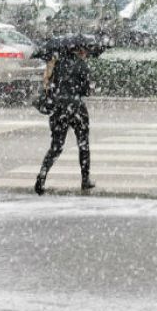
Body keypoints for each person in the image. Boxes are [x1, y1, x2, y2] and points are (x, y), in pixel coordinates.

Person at [34, 39, 95, 195]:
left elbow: (48, 85)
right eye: (85, 50)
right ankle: (85, 179)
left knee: (56, 146)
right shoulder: (81, 65)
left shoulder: (56, 64)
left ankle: (42, 176)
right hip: (76, 109)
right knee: (83, 144)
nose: (86, 53)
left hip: (57, 108)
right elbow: (86, 91)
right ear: (79, 50)